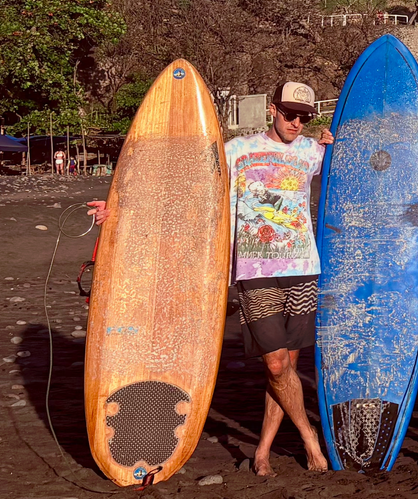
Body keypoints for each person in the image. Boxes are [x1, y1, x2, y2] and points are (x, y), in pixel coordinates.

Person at [87, 82, 335, 477]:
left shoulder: (314, 152)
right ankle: (309, 438)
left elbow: (363, 171)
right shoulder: (236, 151)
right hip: (254, 272)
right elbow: (185, 189)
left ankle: (263, 451)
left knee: (286, 364)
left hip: (304, 268)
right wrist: (117, 207)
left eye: (305, 117)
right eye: (290, 114)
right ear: (273, 110)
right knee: (274, 366)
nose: (297, 123)